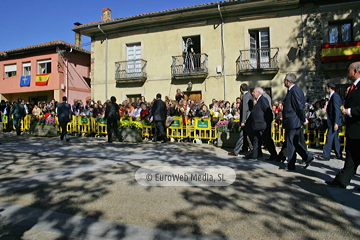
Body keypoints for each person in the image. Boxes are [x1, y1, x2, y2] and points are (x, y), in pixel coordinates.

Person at [326, 62, 360, 190]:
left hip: (358, 128)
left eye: (349, 70)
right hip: (353, 129)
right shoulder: (353, 87)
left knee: (353, 157)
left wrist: (349, 111)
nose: (348, 73)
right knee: (350, 158)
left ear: (355, 71)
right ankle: (341, 180)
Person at [282, 73, 314, 171]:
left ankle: (291, 165)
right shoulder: (292, 90)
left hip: (293, 120)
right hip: (292, 120)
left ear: (288, 81)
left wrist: (303, 119)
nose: (284, 82)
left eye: (285, 80)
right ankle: (307, 157)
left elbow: (299, 107)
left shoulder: (295, 91)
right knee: (294, 142)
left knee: (291, 143)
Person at [316, 83, 342, 161]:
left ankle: (326, 155)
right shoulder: (332, 97)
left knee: (329, 136)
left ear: (329, 88)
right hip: (331, 121)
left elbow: (337, 110)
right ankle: (338, 153)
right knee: (335, 138)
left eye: (326, 88)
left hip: (334, 121)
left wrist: (336, 122)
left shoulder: (335, 97)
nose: (325, 89)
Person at [244, 88, 272, 159]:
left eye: (254, 92)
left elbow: (268, 112)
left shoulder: (263, 100)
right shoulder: (258, 100)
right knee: (256, 140)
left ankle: (274, 155)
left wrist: (267, 123)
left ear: (258, 92)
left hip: (262, 125)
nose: (252, 93)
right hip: (257, 125)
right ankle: (255, 154)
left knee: (267, 140)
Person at [228, 83, 254, 156]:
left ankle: (236, 151)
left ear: (241, 89)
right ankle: (246, 149)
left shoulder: (245, 96)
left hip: (246, 119)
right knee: (246, 135)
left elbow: (245, 109)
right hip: (249, 118)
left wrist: (243, 121)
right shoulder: (250, 96)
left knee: (242, 135)